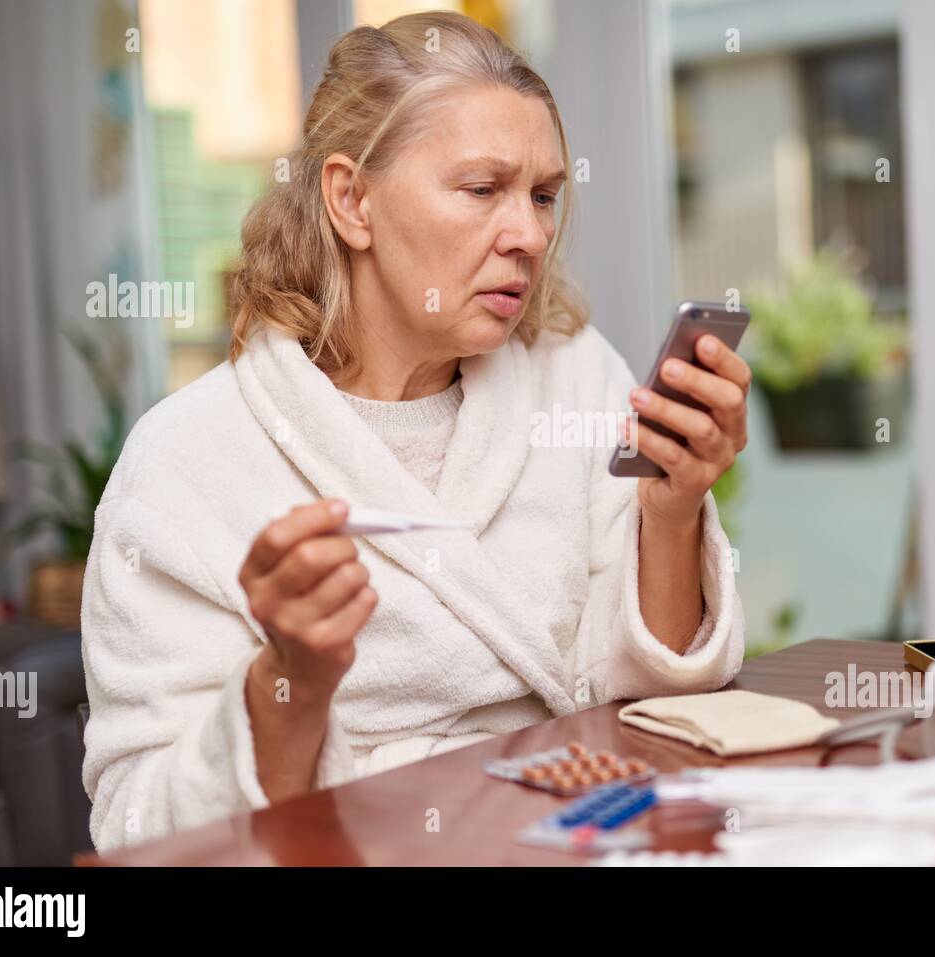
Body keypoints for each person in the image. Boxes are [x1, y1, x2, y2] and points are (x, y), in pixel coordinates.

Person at [81, 10, 748, 853]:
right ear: (351, 200)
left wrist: (674, 507)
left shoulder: (575, 376)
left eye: (543, 196)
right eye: (482, 190)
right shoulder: (187, 462)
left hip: (586, 831)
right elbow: (139, 825)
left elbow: (649, 697)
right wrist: (289, 679)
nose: (531, 234)